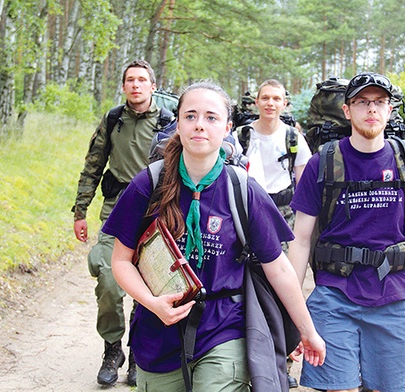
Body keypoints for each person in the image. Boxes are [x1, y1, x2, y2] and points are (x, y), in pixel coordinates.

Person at [101, 81, 326, 391]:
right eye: (190, 116)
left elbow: (279, 268)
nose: (200, 126)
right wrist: (152, 303)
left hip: (224, 327)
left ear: (227, 127)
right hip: (157, 330)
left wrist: (307, 330)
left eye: (211, 117)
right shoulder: (148, 184)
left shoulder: (243, 190)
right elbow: (121, 261)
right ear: (177, 123)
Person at [288, 72, 405, 392]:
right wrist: (292, 315)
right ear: (347, 110)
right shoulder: (322, 163)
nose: (371, 109)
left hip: (393, 296)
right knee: (335, 388)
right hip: (333, 296)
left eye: (379, 102)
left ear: (390, 110)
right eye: (362, 102)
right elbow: (301, 239)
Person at [71, 59, 162, 387]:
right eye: (130, 80)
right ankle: (112, 350)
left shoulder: (167, 121)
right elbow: (93, 165)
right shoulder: (113, 120)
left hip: (156, 212)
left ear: (153, 85)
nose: (136, 85)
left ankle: (138, 352)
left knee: (150, 283)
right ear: (124, 87)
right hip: (116, 210)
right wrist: (80, 211)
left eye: (142, 80)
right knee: (109, 282)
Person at [234, 79, 312, 388]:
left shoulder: (293, 138)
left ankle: (285, 362)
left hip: (282, 215)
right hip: (244, 211)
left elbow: (303, 184)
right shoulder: (241, 136)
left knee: (284, 286)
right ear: (256, 102)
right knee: (243, 283)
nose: (270, 103)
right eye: (265, 98)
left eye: (276, 98)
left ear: (284, 103)